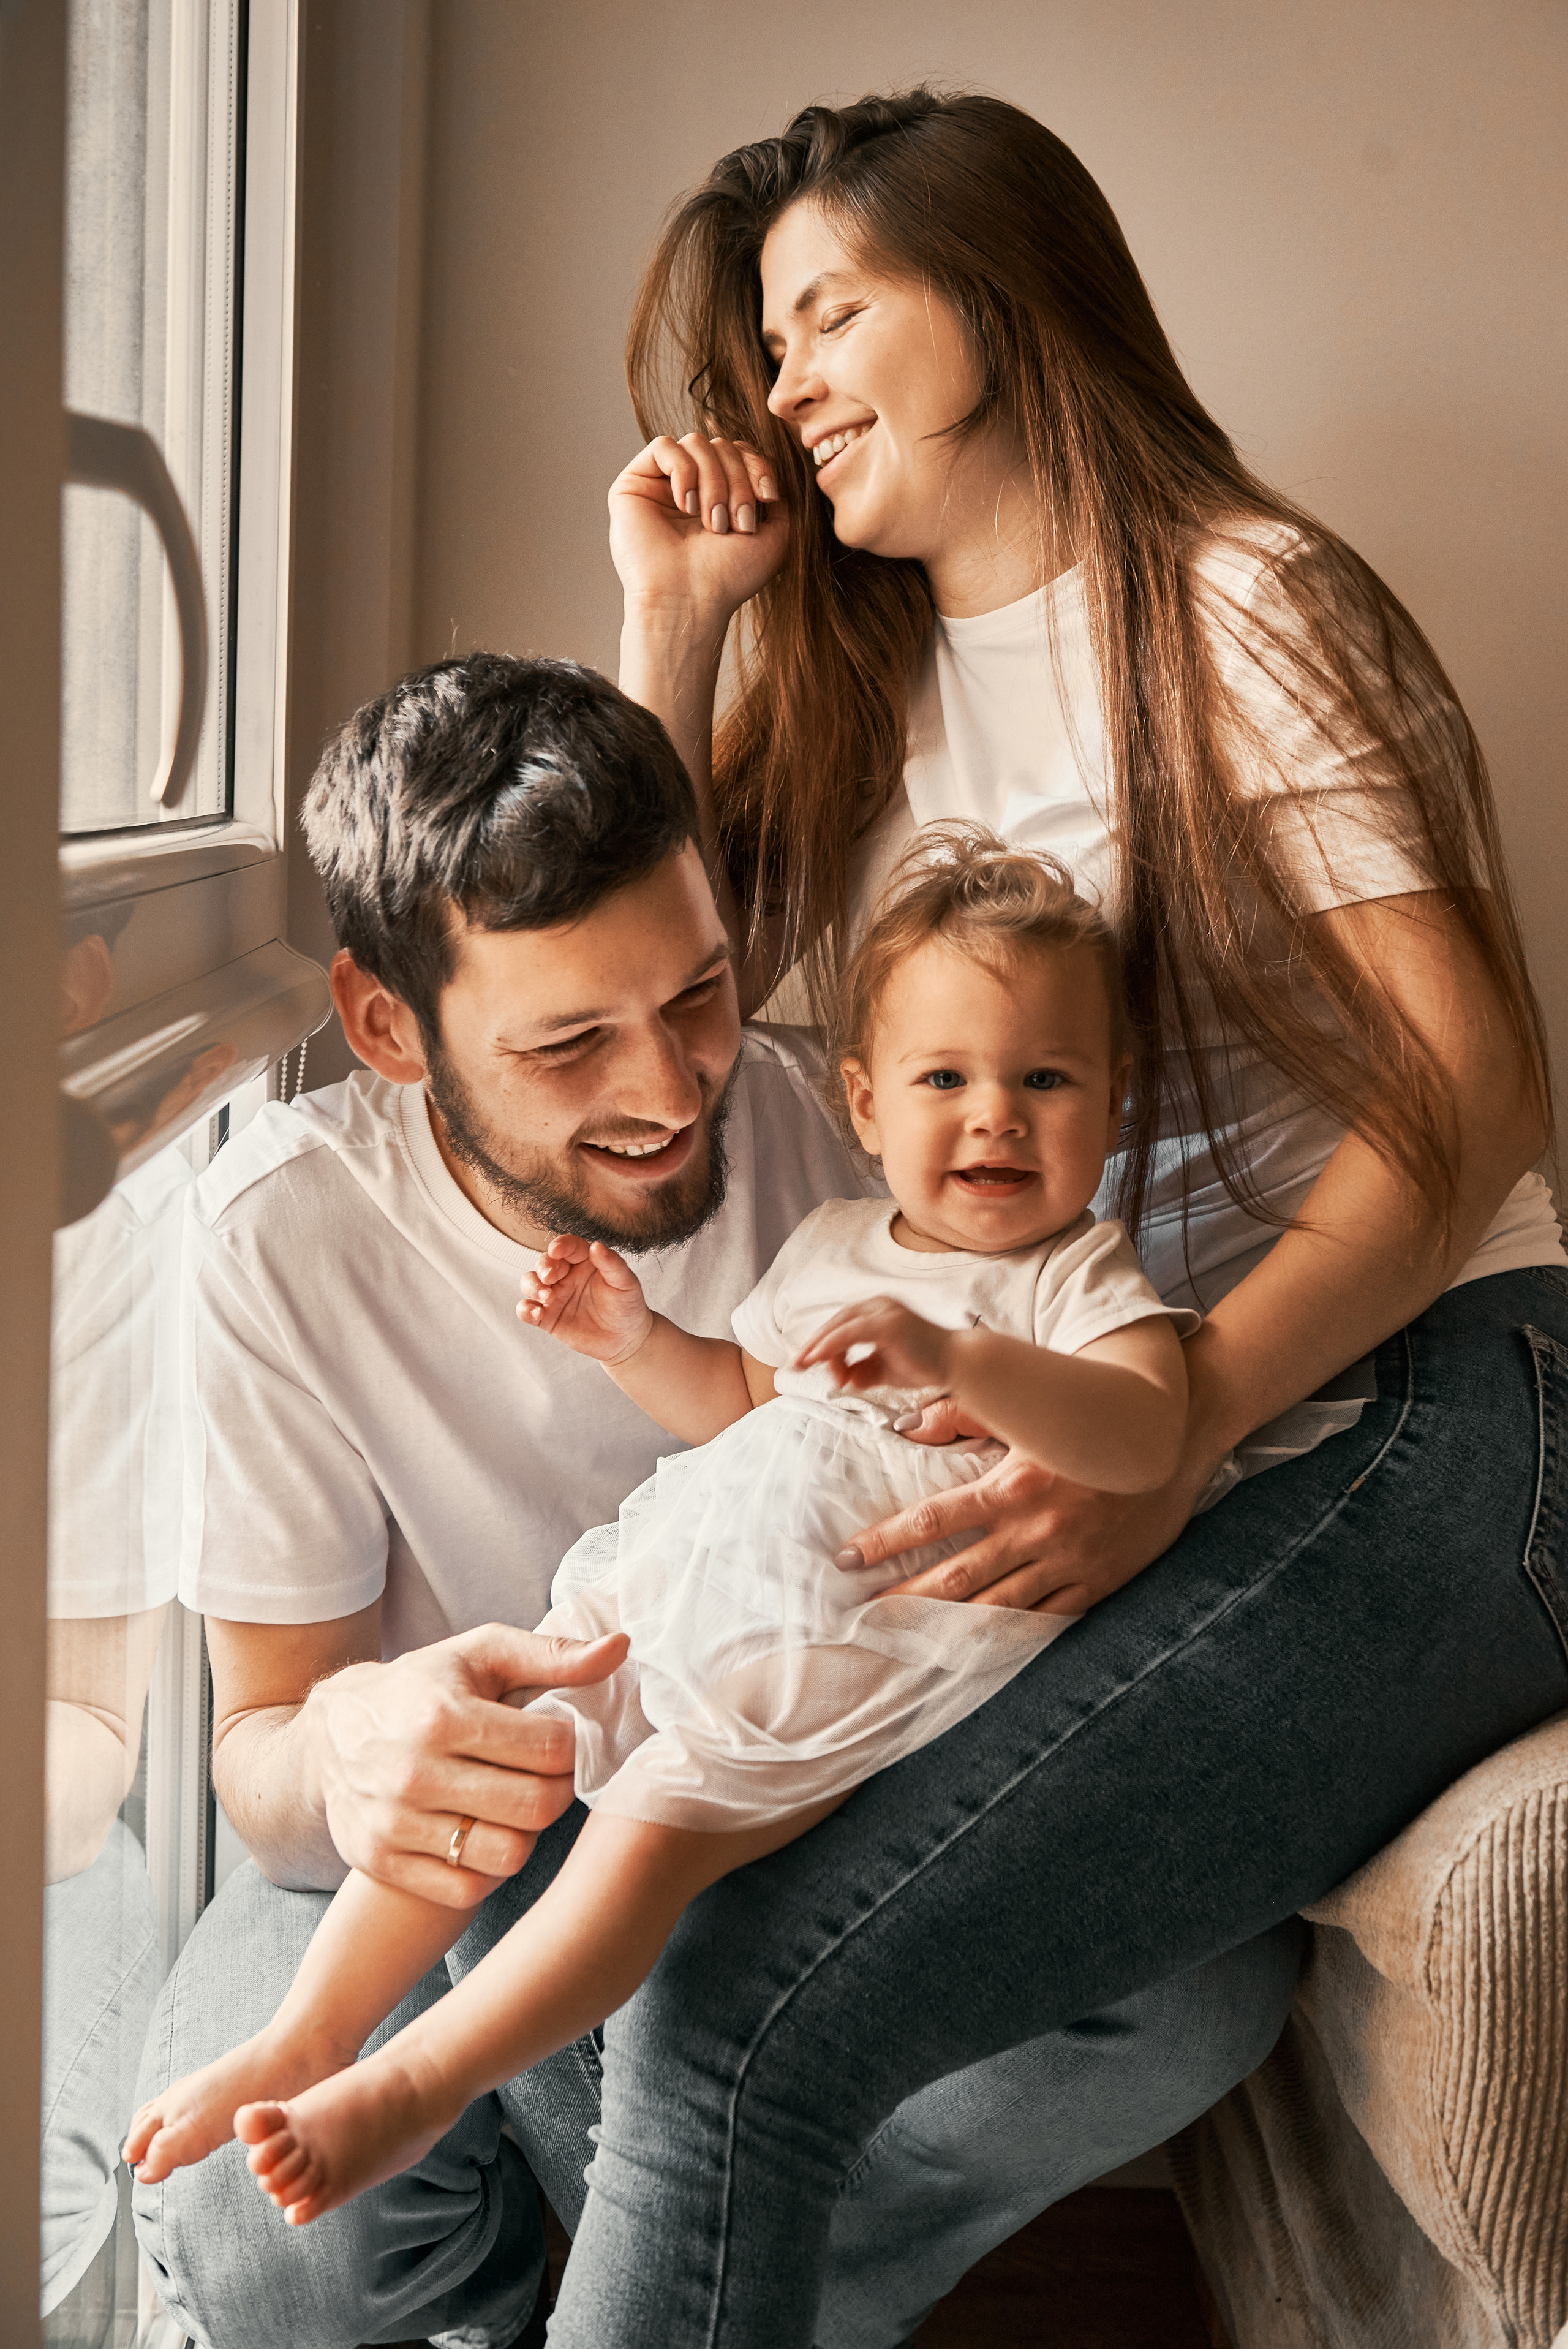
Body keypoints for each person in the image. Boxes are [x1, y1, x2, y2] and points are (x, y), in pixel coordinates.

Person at [445, 88, 1566, 2348]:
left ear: (1003, 291)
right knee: (578, 1925)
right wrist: (676, 618)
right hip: (1148, 1428)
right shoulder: (868, 685)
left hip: (1436, 1409)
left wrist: (1181, 1422)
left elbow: (1467, 1091)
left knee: (735, 2004)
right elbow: (636, 1020)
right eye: (772, 343)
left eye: (833, 313)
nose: (787, 384)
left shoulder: (1240, 601)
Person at [130, 656, 1302, 2349]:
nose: (676, 1088)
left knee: (1192, 1996)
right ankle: (588, 2242)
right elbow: (262, 1761)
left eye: (699, 996)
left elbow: (1128, 1400)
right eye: (571, 1043)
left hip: (814, 1778)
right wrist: (351, 1745)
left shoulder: (891, 1135)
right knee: (260, 2238)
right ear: (389, 1028)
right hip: (503, 1785)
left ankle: (687, 2260)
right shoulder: (276, 1235)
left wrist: (1124, 1462)